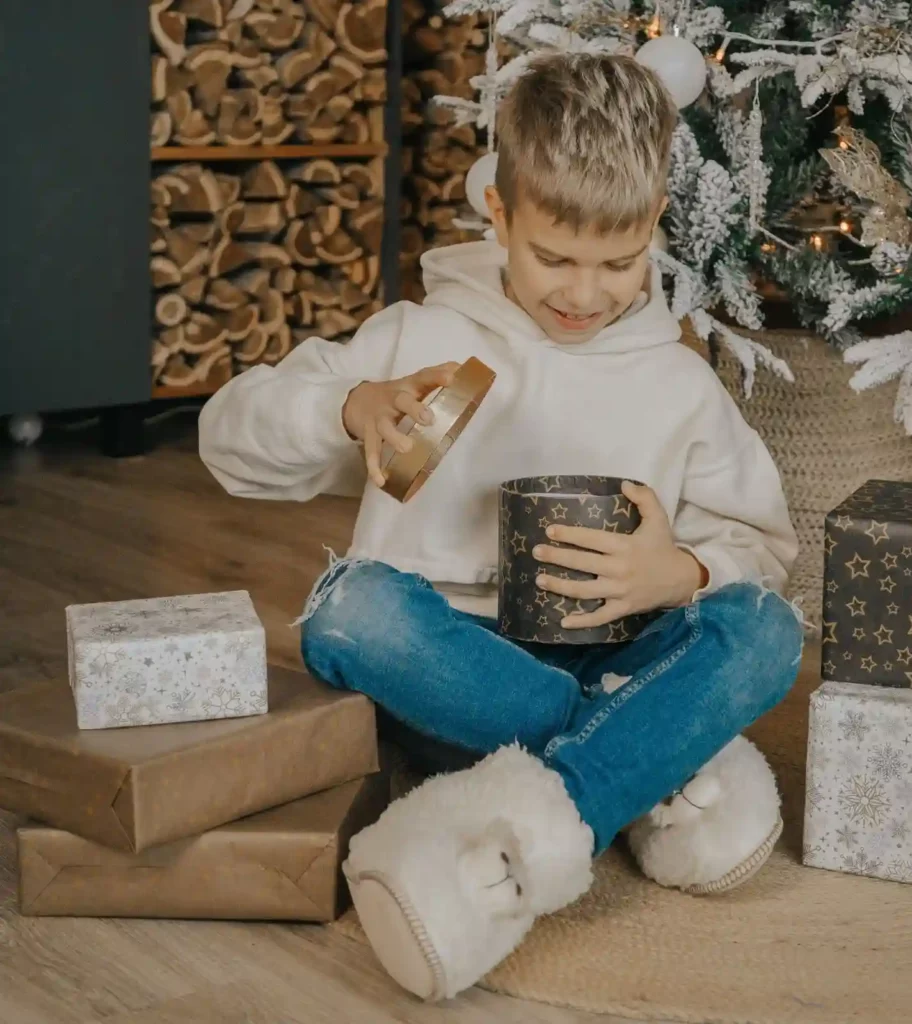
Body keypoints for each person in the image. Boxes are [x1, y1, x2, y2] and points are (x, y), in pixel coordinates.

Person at [198, 52, 803, 1002]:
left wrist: (675, 573)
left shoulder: (679, 383)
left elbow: (763, 554)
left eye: (618, 262)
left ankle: (554, 804)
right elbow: (225, 445)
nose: (586, 292)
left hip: (613, 649)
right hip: (458, 673)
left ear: (655, 229)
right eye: (554, 257)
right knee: (349, 614)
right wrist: (346, 410)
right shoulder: (416, 340)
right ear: (500, 214)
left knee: (769, 632)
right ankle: (637, 760)